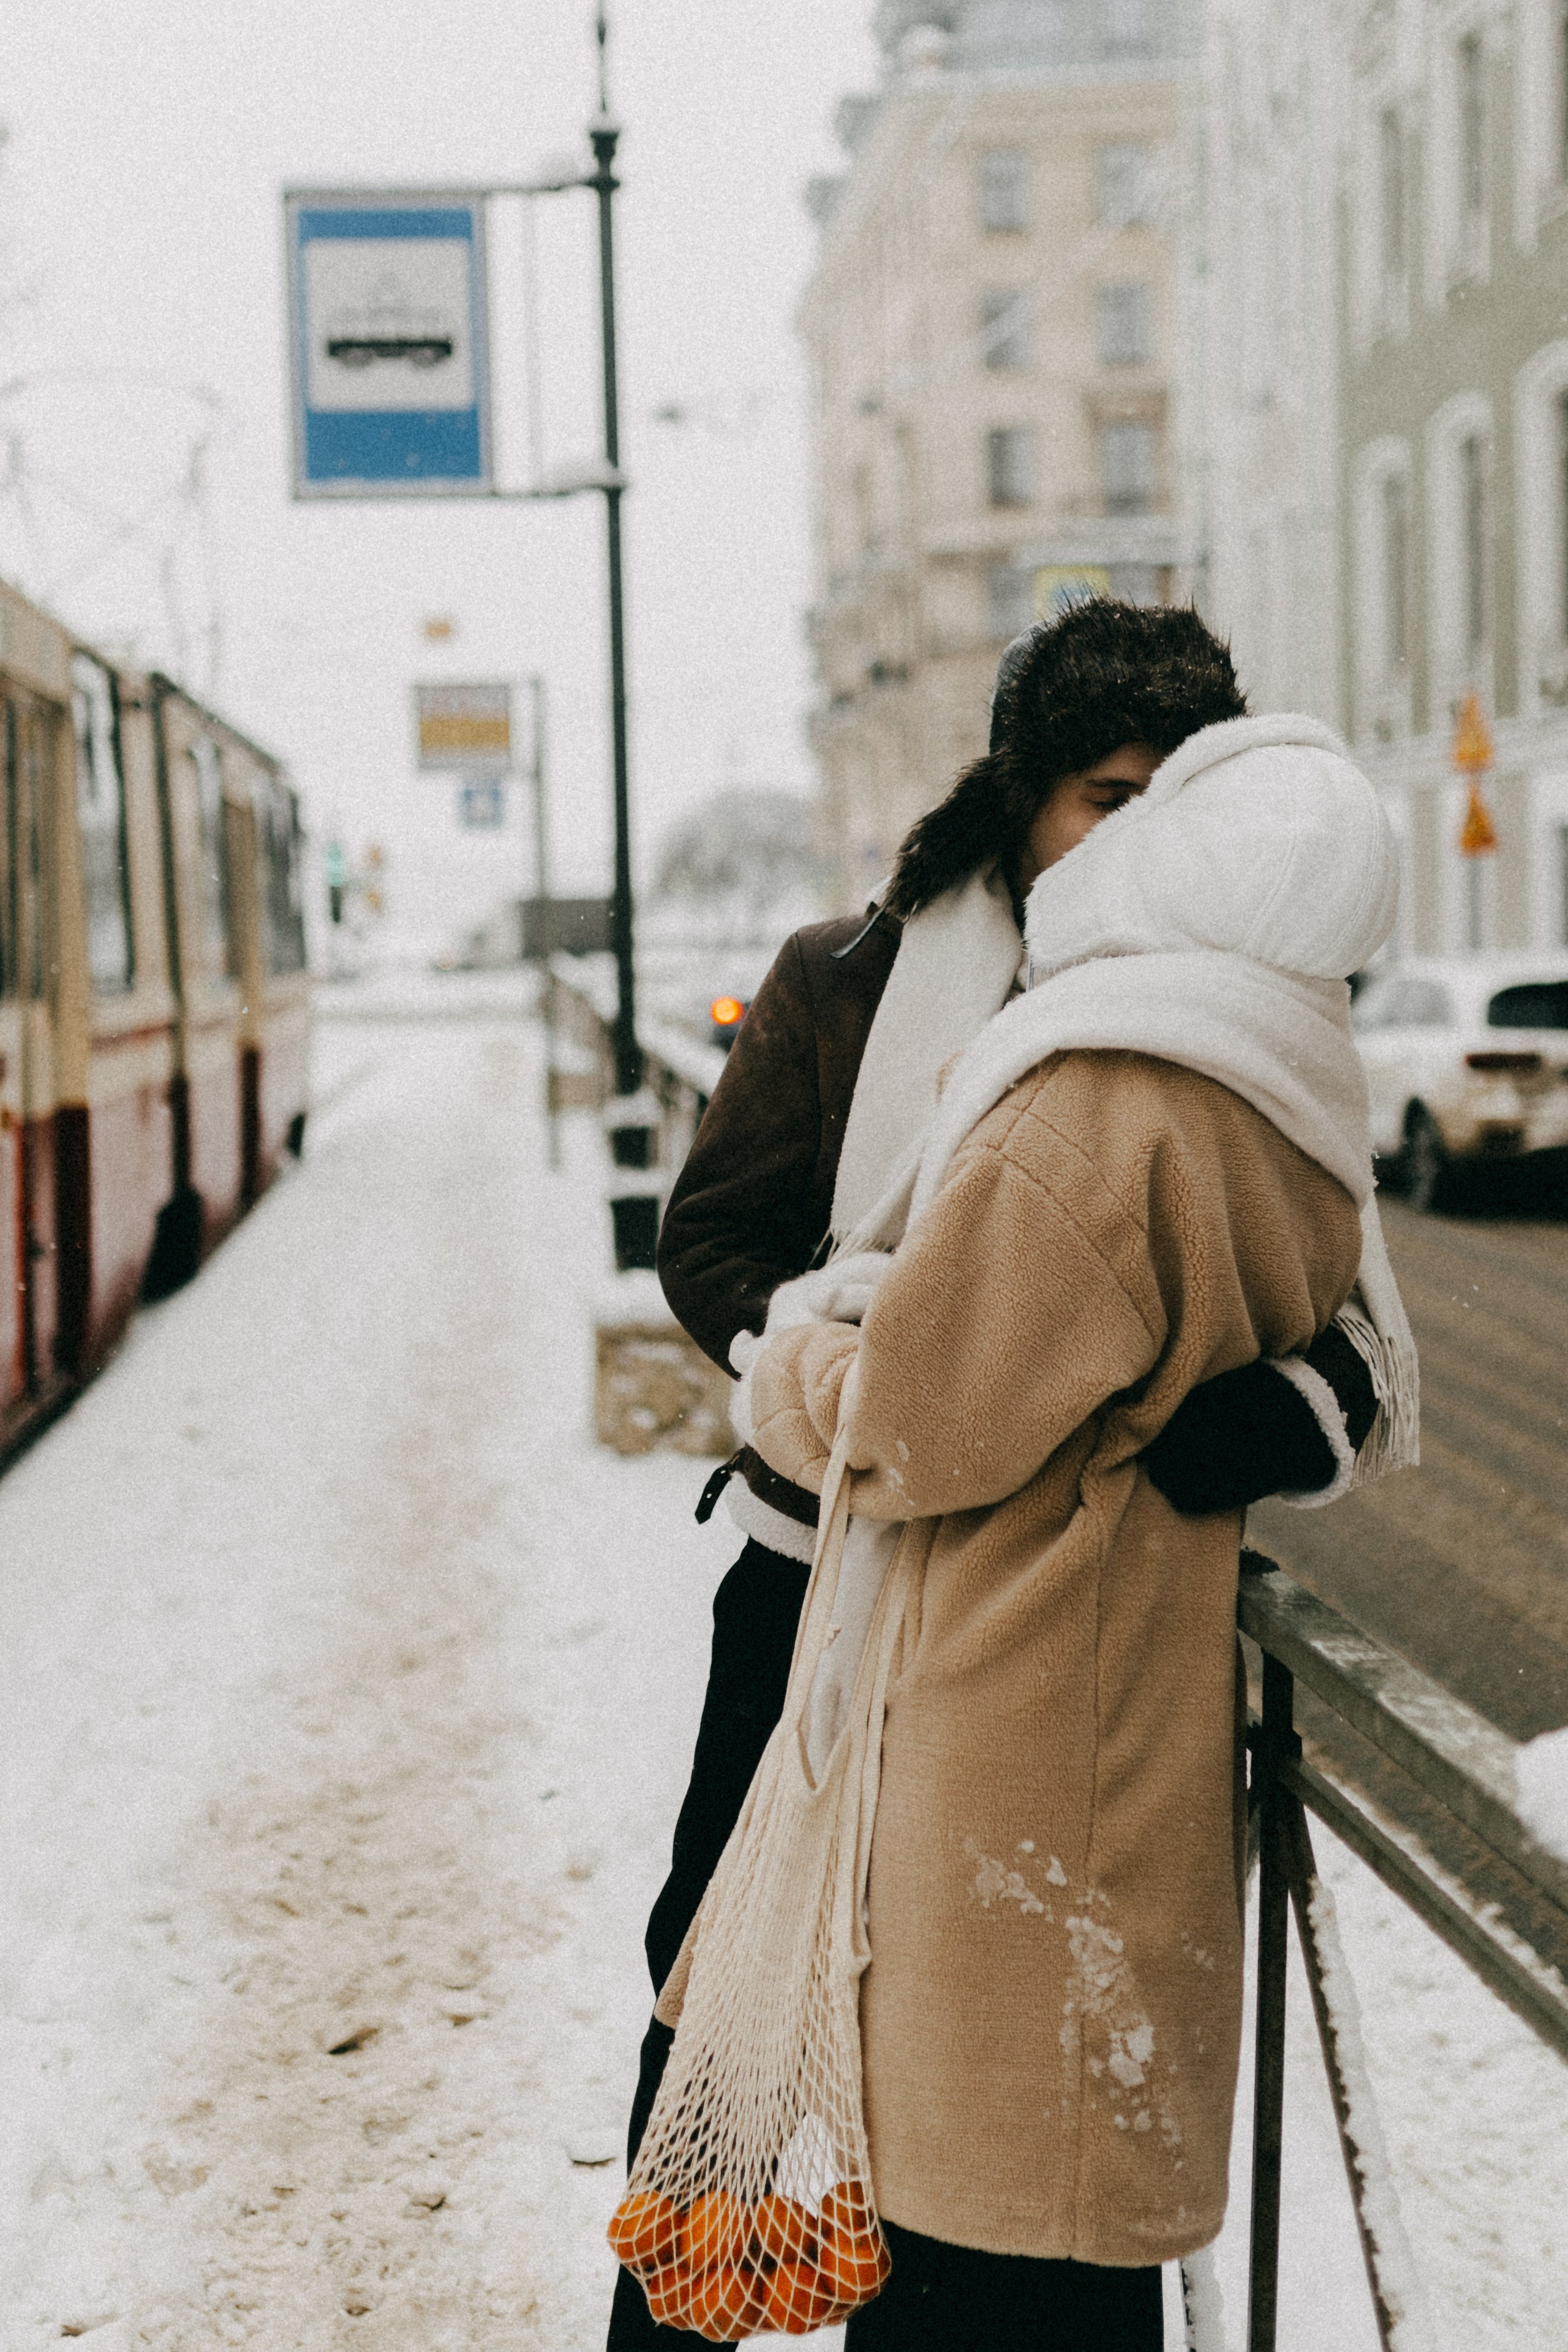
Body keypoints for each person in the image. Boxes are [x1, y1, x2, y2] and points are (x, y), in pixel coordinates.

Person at [606, 605, 1384, 2349]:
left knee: (960, 2062)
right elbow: (714, 1241)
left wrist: (1286, 1406)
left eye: (1173, 795)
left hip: (1024, 1629)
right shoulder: (851, 974)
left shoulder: (1220, 1000)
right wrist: (830, 1337)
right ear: (1021, 792)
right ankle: (682, 2326)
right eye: (1106, 793)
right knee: (725, 2003)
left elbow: (1344, 1312)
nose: (1136, 831)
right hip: (817, 1571)